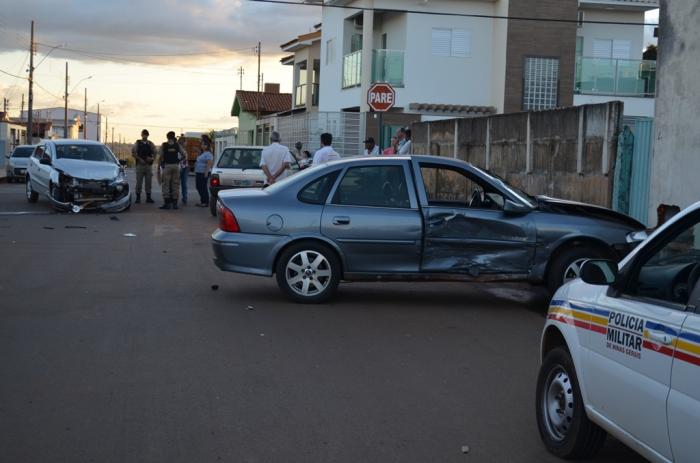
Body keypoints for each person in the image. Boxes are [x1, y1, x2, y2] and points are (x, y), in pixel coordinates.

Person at [157, 131, 188, 210]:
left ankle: (167, 204)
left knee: (166, 184)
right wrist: (179, 160)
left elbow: (160, 156)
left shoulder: (164, 145)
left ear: (167, 137)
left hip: (167, 166)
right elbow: (185, 155)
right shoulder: (177, 145)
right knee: (175, 184)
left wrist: (158, 166)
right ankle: (175, 204)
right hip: (176, 166)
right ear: (174, 137)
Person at [131, 129, 156, 203]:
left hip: (148, 165)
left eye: (146, 134)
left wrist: (152, 158)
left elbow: (155, 152)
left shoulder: (150, 143)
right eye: (144, 134)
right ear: (141, 135)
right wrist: (139, 159)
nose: (145, 136)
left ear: (148, 135)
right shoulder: (137, 143)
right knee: (139, 182)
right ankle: (138, 198)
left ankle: (148, 198)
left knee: (148, 182)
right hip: (140, 165)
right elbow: (133, 153)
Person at [194, 142, 214, 207]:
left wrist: (206, 172)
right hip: (198, 172)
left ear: (207, 146)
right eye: (202, 144)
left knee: (203, 187)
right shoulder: (203, 153)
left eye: (204, 144)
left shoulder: (208, 154)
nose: (203, 145)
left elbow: (209, 163)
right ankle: (203, 201)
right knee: (198, 186)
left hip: (203, 172)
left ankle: (205, 202)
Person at [178, 135, 189, 205]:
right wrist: (184, 157)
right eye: (186, 142)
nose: (186, 143)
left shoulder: (184, 149)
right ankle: (176, 197)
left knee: (184, 184)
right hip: (179, 168)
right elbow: (180, 158)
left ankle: (184, 198)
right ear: (183, 142)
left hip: (185, 167)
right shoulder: (178, 149)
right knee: (178, 184)